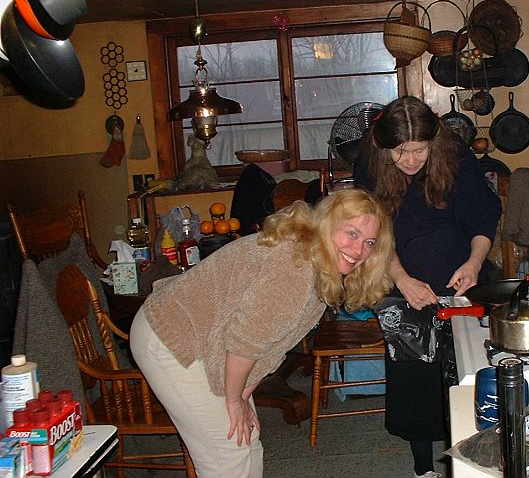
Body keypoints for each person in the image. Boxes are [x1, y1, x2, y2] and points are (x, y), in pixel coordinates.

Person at [130, 189, 393, 477]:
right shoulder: (295, 269)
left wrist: (242, 396)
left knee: (245, 441)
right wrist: (233, 400)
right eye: (351, 234)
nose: (359, 251)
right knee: (229, 451)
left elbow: (270, 345)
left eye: (369, 242)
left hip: (209, 335)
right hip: (171, 336)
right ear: (327, 223)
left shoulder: (319, 264)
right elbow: (246, 344)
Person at [354, 95, 501, 478]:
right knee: (414, 371)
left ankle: (474, 453)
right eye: (399, 152)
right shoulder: (370, 164)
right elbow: (375, 234)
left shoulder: (456, 155)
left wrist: (474, 262)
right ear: (384, 146)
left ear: (433, 142)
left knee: (468, 364)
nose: (410, 161)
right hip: (400, 274)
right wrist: (401, 280)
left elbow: (483, 216)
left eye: (418, 150)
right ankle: (424, 467)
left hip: (460, 273)